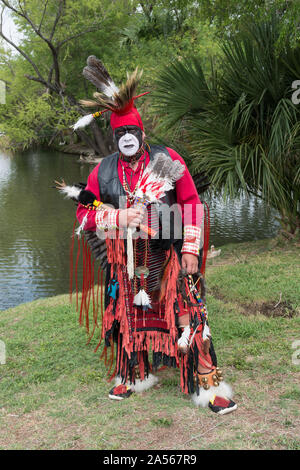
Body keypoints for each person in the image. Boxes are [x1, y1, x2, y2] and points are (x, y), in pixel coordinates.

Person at [72, 56, 237, 415]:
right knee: (126, 314)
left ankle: (207, 383)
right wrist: (115, 215)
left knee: (187, 310)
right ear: (114, 137)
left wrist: (191, 246)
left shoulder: (167, 158)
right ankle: (133, 372)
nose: (127, 139)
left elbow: (192, 202)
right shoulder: (103, 171)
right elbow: (84, 214)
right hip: (125, 260)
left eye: (132, 132)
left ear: (142, 133)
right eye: (120, 134)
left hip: (170, 251)